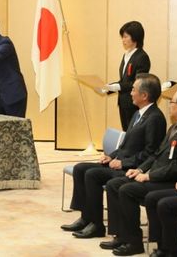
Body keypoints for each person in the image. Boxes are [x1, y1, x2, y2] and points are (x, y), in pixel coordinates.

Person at [100, 86, 177, 256]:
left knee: (127, 190)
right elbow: (156, 154)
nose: (169, 105)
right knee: (115, 184)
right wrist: (140, 169)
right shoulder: (175, 127)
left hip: (170, 180)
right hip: (157, 175)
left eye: (172, 102)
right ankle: (123, 235)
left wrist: (149, 175)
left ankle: (136, 242)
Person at [61, 73, 166, 239]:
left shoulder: (155, 118)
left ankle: (96, 225)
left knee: (92, 174)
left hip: (131, 168)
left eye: (133, 90)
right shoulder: (138, 113)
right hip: (118, 162)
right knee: (81, 168)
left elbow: (150, 153)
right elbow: (125, 145)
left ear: (144, 95)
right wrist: (110, 156)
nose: (130, 93)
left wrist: (123, 163)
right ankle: (86, 217)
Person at [105, 21, 151, 131]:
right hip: (123, 102)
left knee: (133, 133)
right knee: (126, 132)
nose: (123, 40)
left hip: (134, 103)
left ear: (135, 37)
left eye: (126, 37)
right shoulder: (126, 55)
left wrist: (117, 87)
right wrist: (108, 87)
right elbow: (124, 80)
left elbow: (138, 83)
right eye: (122, 37)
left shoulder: (141, 57)